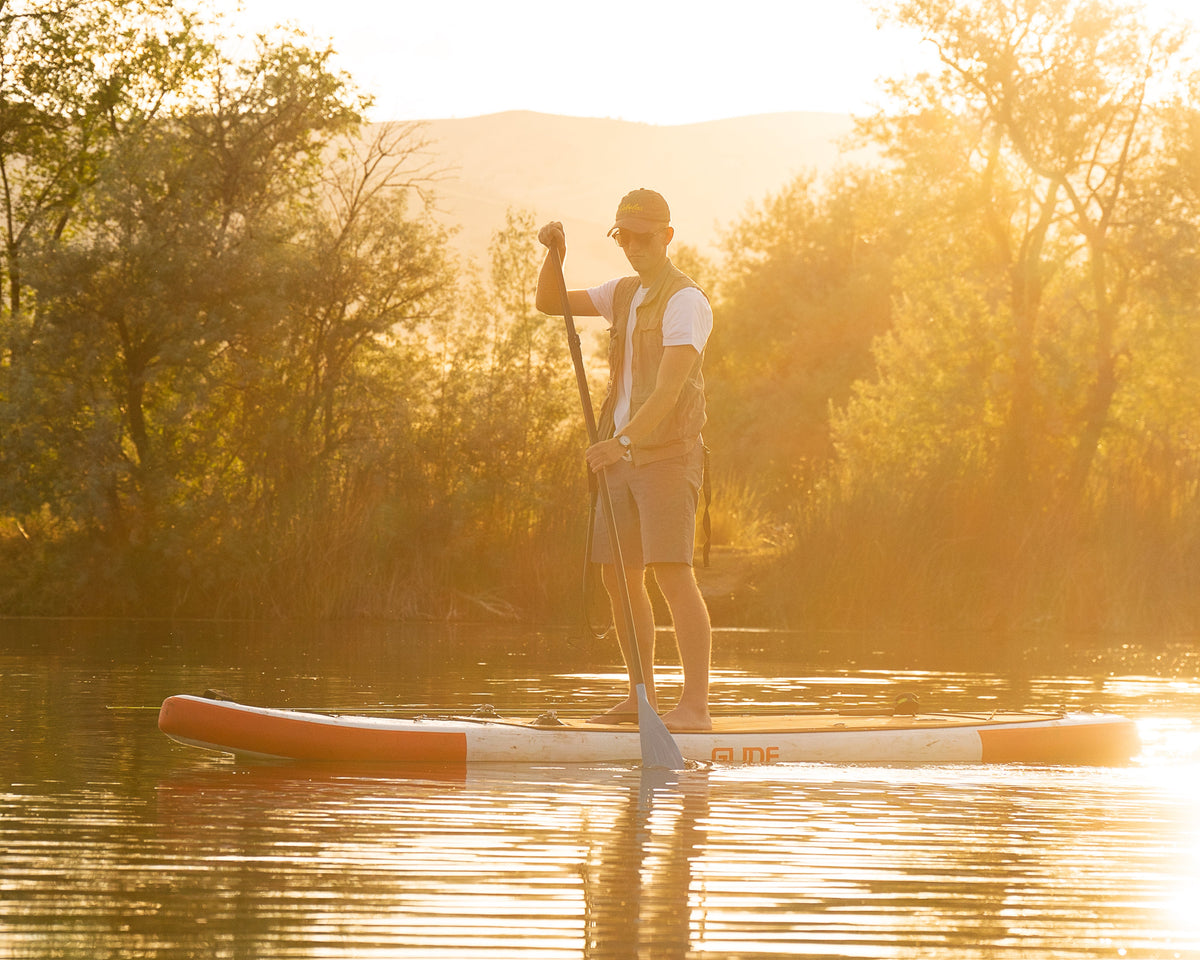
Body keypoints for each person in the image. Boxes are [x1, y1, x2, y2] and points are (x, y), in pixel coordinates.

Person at [535, 188, 713, 732]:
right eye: (624, 236)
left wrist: (623, 443)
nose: (633, 246)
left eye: (643, 236)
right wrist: (553, 256)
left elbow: (668, 391)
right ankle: (641, 698)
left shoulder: (687, 301)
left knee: (672, 576)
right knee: (619, 578)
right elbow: (551, 303)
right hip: (621, 458)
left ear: (667, 236)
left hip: (665, 457)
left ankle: (695, 709)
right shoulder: (622, 293)